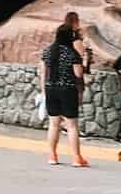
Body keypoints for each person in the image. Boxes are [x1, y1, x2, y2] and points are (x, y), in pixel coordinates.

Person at [40, 23, 88, 167]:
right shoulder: (72, 53)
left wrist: (43, 90)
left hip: (51, 88)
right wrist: (84, 62)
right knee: (71, 126)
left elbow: (43, 72)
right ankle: (76, 158)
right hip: (68, 89)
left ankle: (53, 156)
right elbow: (78, 74)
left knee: (54, 124)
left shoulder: (48, 51)